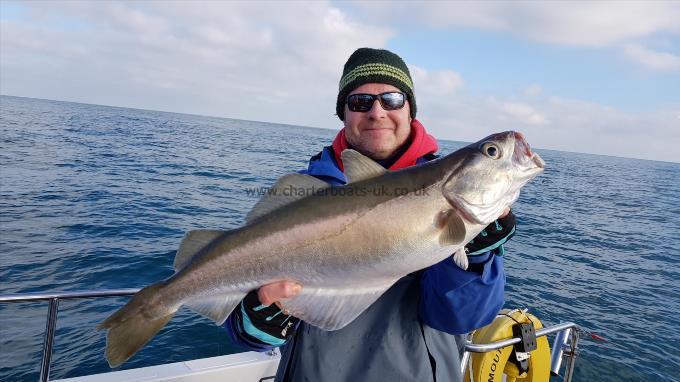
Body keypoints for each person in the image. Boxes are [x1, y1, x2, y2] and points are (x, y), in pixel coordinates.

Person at [223, 48, 516, 382]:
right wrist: (256, 322)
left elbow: (461, 319)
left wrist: (474, 257)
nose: (377, 112)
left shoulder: (450, 193)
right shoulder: (305, 195)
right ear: (344, 113)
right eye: (360, 102)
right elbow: (250, 336)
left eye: (391, 99)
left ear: (410, 109)